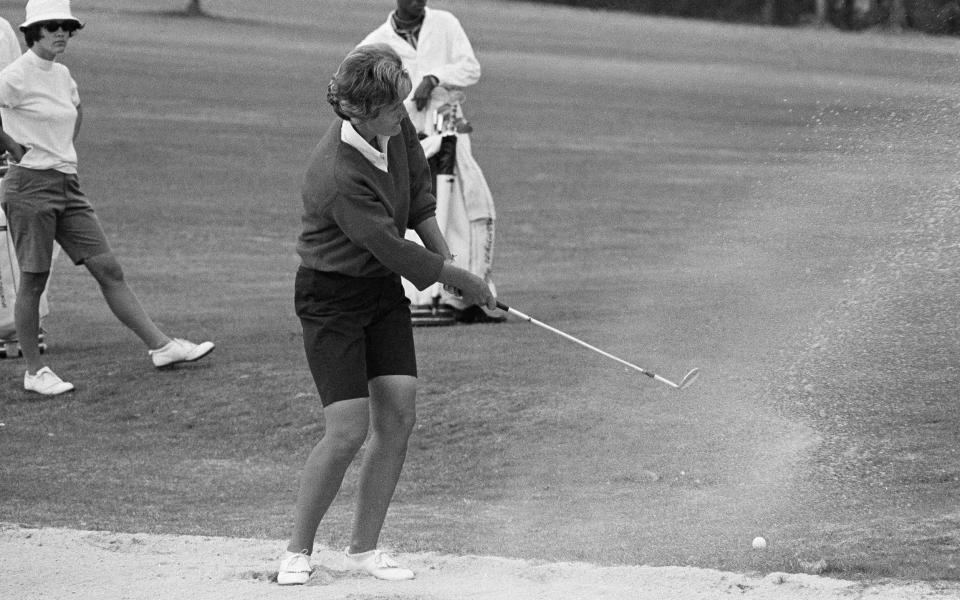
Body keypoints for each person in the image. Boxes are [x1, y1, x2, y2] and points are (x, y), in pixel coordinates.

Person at [277, 44, 495, 585]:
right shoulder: (336, 173)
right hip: (330, 300)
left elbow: (419, 200)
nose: (403, 114)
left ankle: (363, 549)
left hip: (380, 295)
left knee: (399, 414)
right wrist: (459, 279)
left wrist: (449, 265)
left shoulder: (396, 134)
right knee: (347, 429)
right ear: (359, 110)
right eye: (393, 107)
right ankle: (296, 551)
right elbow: (388, 246)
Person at [0, 0, 215, 396]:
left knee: (108, 268)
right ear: (33, 33)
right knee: (33, 279)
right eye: (52, 27)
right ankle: (34, 371)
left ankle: (162, 346)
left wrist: (58, 148)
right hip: (29, 187)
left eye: (66, 27)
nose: (61, 33)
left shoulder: (62, 74)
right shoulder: (14, 76)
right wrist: (14, 147)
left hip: (67, 183)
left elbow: (75, 112)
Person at [359, 0, 502, 324]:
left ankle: (466, 298)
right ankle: (417, 297)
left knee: (463, 210)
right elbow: (361, 92)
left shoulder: (445, 23)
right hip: (404, 134)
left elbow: (470, 68)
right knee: (415, 210)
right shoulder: (374, 42)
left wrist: (434, 77)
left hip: (450, 128)